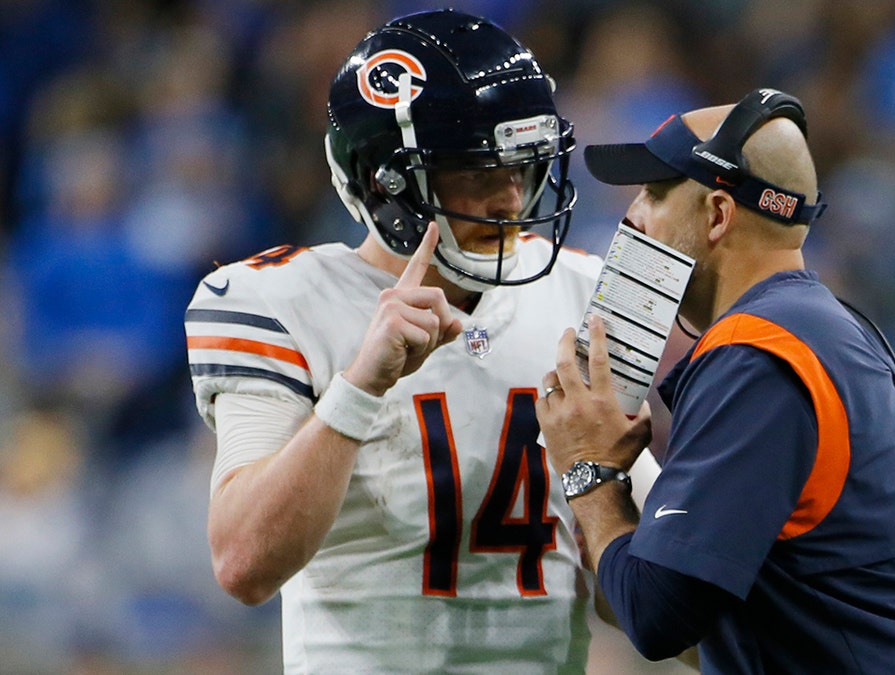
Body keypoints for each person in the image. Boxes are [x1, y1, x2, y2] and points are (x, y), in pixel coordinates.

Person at [535, 88, 895, 673]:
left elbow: (656, 613)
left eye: (655, 193)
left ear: (718, 214)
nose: (632, 215)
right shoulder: (827, 329)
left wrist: (590, 471)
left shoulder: (756, 353)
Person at [183, 10, 604, 673]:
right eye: (476, 168)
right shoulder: (279, 301)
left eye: (524, 163)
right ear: (386, 182)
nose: (509, 196)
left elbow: (633, 586)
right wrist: (357, 389)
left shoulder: (585, 292)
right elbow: (242, 562)